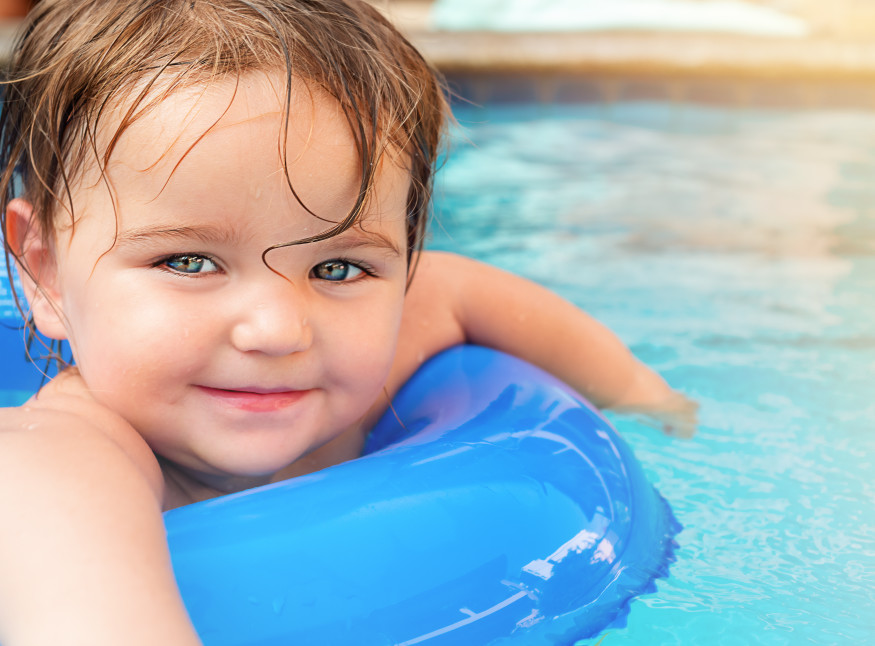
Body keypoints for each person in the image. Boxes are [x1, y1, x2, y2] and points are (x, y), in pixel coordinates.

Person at [0, 0, 697, 643]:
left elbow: (462, 292)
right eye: (187, 261)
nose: (277, 330)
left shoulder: (375, 347)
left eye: (337, 269)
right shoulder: (53, 463)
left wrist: (647, 399)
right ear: (45, 271)